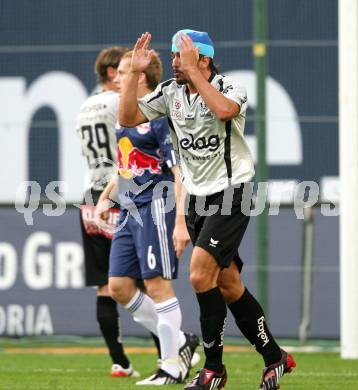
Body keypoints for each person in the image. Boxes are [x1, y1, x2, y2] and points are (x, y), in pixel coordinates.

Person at [118, 29, 297, 390]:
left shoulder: (230, 87)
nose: (174, 62)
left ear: (204, 59)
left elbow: (225, 110)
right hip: (199, 198)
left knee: (200, 275)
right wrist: (135, 74)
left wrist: (196, 74)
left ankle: (213, 369)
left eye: (182, 55)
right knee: (229, 284)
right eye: (171, 56)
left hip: (232, 192)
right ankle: (275, 356)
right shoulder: (170, 92)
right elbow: (127, 118)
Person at [96, 49, 200, 386]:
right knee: (119, 287)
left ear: (141, 76)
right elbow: (129, 163)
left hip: (156, 204)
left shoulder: (159, 117)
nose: (117, 78)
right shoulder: (126, 117)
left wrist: (181, 222)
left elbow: (179, 171)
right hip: (129, 206)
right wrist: (105, 195)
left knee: (157, 285)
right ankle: (180, 341)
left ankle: (171, 365)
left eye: (124, 72)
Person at [76, 46, 160, 378]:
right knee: (145, 282)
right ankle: (172, 351)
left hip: (90, 198)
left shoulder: (83, 106)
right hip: (121, 194)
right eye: (125, 71)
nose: (131, 76)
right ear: (114, 74)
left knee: (104, 285)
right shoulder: (118, 103)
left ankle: (119, 361)